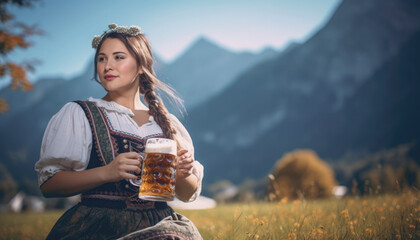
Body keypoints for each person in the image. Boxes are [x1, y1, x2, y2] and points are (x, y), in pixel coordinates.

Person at [34, 23, 204, 240]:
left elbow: (186, 194)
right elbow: (49, 185)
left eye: (118, 57)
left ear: (141, 65)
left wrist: (183, 174)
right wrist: (107, 172)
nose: (107, 66)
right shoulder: (80, 114)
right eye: (102, 58)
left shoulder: (167, 123)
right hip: (99, 227)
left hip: (162, 225)